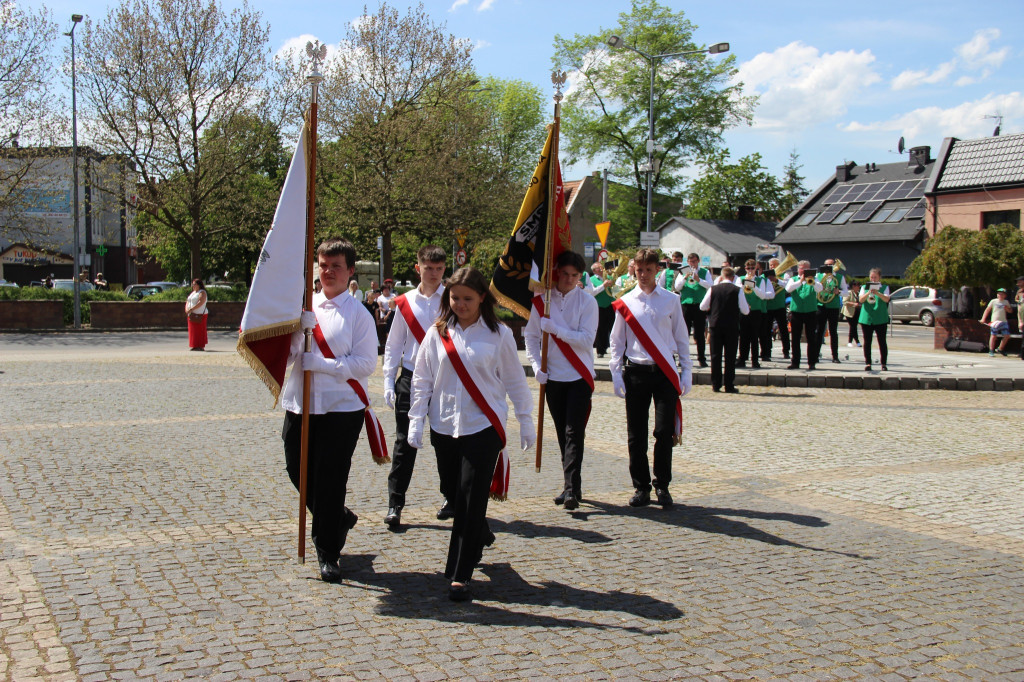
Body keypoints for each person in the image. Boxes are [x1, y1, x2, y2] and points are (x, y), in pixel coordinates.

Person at [408, 267, 535, 602]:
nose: (460, 304)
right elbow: (421, 379)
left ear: (482, 298)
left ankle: (460, 574)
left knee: (469, 498)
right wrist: (414, 420)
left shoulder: (500, 334)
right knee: (452, 490)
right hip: (443, 425)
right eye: (455, 298)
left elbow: (514, 380)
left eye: (467, 298)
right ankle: (479, 533)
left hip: (483, 426)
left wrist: (526, 419)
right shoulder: (436, 332)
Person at [281, 237, 378, 583]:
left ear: (350, 271)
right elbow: (289, 355)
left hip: (341, 408)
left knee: (331, 478)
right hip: (301, 403)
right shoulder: (302, 308)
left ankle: (328, 551)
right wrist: (287, 338)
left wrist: (320, 364)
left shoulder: (360, 315)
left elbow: (366, 363)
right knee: (297, 469)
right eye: (323, 265)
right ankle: (337, 517)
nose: (328, 272)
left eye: (336, 266)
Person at [609, 248, 692, 509]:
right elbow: (616, 340)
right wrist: (615, 372)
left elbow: (681, 337)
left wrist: (686, 371)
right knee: (637, 434)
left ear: (658, 270)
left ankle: (662, 485)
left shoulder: (671, 300)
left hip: (664, 372)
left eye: (648, 269)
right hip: (636, 372)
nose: (642, 274)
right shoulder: (626, 301)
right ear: (633, 269)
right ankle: (641, 487)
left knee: (664, 431)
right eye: (639, 269)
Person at [525, 250, 597, 511]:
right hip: (552, 376)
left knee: (573, 432)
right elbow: (531, 337)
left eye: (574, 275)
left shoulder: (587, 302)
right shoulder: (542, 301)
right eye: (564, 274)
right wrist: (535, 366)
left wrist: (557, 330)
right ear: (557, 273)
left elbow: (587, 339)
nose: (568, 279)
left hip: (578, 375)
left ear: (581, 276)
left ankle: (569, 489)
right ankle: (572, 485)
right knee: (561, 432)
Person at [381, 245, 447, 528]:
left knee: (447, 441)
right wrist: (387, 378)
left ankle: (452, 497)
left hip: (445, 378)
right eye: (428, 268)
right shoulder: (405, 302)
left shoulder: (453, 299)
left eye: (439, 269)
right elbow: (394, 344)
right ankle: (395, 503)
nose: (433, 274)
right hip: (409, 378)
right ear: (418, 268)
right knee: (403, 443)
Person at [700, 266, 749, 393]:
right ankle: (729, 384)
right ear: (733, 278)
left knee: (715, 355)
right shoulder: (737, 290)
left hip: (715, 325)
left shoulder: (713, 289)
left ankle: (715, 384)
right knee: (730, 356)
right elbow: (745, 310)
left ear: (721, 277)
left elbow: (702, 306)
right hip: (731, 326)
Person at [785, 261, 823, 370]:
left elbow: (819, 289)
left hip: (810, 311)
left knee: (811, 338)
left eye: (806, 269)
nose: (804, 271)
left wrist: (812, 282)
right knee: (795, 338)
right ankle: (795, 362)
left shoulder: (814, 279)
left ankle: (812, 362)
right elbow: (788, 289)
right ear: (798, 269)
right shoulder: (793, 279)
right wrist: (800, 281)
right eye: (802, 268)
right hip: (797, 311)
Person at [677, 253, 712, 368]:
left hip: (699, 305)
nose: (692, 264)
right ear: (688, 262)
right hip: (686, 304)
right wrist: (684, 278)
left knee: (700, 333)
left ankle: (702, 358)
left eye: (695, 261)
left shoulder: (704, 272)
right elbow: (677, 287)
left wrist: (699, 279)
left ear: (698, 261)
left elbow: (710, 286)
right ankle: (683, 359)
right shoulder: (682, 271)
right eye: (691, 262)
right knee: (684, 333)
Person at [736, 259, 772, 369]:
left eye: (752, 268)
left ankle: (755, 361)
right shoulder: (740, 279)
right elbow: (737, 293)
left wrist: (753, 285)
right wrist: (744, 284)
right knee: (743, 336)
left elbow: (762, 296)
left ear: (756, 268)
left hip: (756, 310)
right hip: (743, 310)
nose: (750, 270)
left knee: (754, 336)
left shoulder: (761, 280)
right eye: (748, 268)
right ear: (745, 268)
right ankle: (742, 359)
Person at [815, 258, 848, 364]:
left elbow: (846, 292)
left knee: (833, 332)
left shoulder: (839, 277)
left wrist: (839, 292)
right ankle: (815, 355)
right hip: (821, 305)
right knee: (819, 331)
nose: (828, 267)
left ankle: (835, 356)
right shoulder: (818, 276)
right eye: (826, 265)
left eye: (830, 265)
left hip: (833, 306)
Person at [858, 268, 891, 371]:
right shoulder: (864, 287)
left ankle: (884, 363)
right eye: (871, 277)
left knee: (882, 341)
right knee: (867, 341)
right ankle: (868, 363)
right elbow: (861, 300)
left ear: (879, 278)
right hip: (867, 317)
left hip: (880, 317)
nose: (873, 279)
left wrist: (877, 293)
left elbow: (886, 299)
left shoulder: (884, 287)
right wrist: (868, 292)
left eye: (875, 277)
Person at [587, 261, 615, 358]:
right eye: (599, 268)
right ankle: (600, 350)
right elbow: (593, 292)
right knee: (600, 328)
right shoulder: (591, 280)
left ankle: (614, 348)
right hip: (599, 306)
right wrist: (603, 285)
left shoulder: (609, 277)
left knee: (613, 328)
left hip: (611, 305)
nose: (602, 269)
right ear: (595, 270)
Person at [762, 266, 788, 361]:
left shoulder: (784, 275)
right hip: (768, 306)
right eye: (771, 265)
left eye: (775, 264)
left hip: (780, 306)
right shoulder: (764, 276)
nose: (773, 266)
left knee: (783, 329)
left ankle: (786, 351)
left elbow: (787, 286)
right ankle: (767, 351)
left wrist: (776, 280)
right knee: (766, 330)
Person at [981, 288, 1012, 357]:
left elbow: (1010, 311)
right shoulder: (993, 301)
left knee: (1007, 335)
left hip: (1003, 321)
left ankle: (1000, 348)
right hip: (994, 321)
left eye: (1002, 294)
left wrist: (1007, 309)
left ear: (1005, 295)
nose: (1000, 295)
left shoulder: (1006, 302)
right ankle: (991, 350)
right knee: (993, 336)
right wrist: (983, 319)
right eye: (999, 294)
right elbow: (987, 310)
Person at [185, 278, 208, 351]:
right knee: (193, 331)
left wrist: (192, 309)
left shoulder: (202, 292)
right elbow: (188, 301)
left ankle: (200, 346)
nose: (193, 285)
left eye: (194, 284)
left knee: (199, 330)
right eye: (192, 284)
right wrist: (187, 309)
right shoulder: (193, 293)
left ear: (199, 285)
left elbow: (201, 302)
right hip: (192, 315)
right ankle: (194, 345)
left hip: (200, 314)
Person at [842, 282, 862, 347]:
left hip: (856, 312)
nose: (859, 287)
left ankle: (852, 341)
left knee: (853, 326)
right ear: (853, 286)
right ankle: (855, 341)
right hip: (849, 312)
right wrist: (853, 304)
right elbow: (844, 302)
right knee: (853, 326)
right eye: (858, 285)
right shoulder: (849, 293)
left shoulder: (858, 294)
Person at [1016, 276, 1024, 360]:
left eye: (1020, 282)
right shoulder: (1019, 292)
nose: (1017, 284)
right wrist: (1020, 321)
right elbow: (1019, 307)